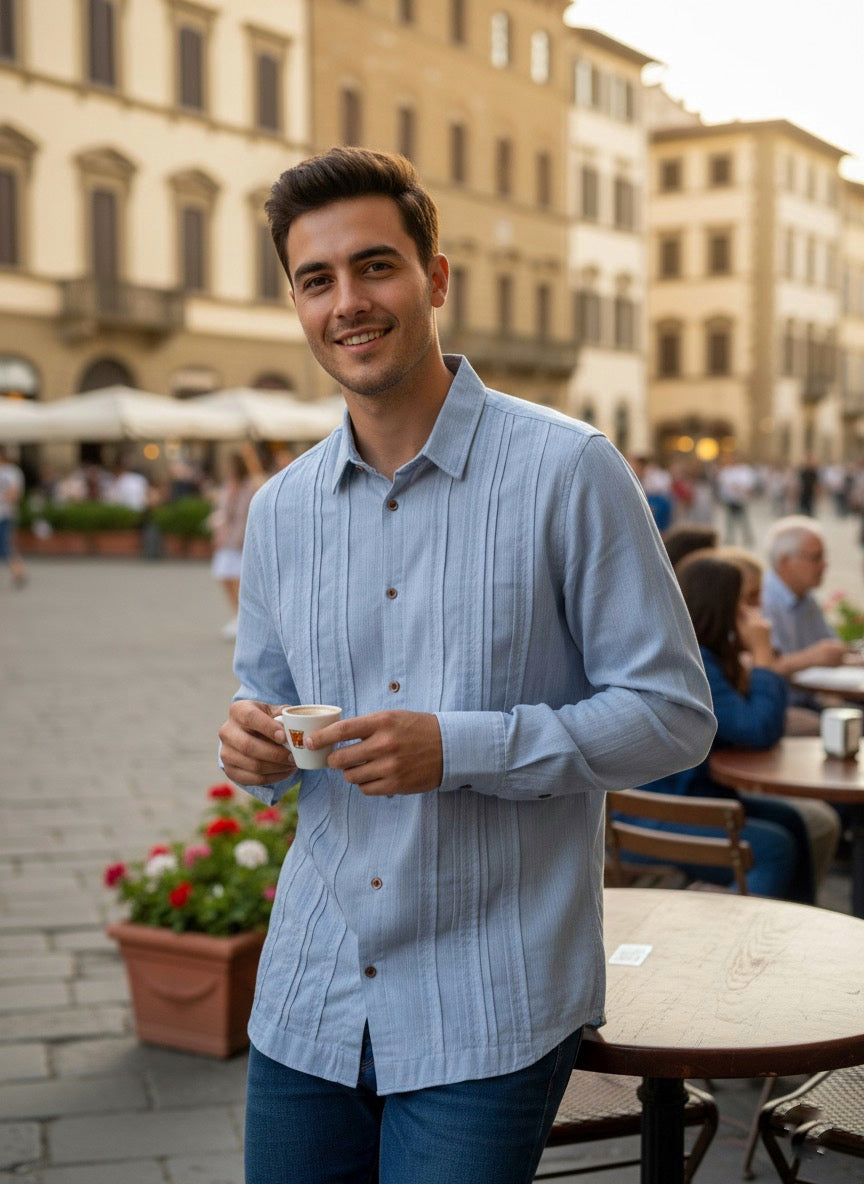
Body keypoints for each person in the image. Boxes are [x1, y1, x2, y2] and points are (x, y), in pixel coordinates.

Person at [217, 146, 716, 1184]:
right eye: (317, 279)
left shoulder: (570, 470)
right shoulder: (280, 510)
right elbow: (265, 700)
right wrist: (251, 748)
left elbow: (673, 714)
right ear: (297, 304)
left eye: (376, 266)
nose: (348, 302)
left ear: (435, 278)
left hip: (488, 1003)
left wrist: (461, 748)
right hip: (309, 993)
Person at [634, 553, 821, 902]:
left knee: (792, 821)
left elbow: (757, 730)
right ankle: (733, 933)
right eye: (748, 601)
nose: (757, 613)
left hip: (683, 799)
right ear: (722, 606)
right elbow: (758, 731)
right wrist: (764, 657)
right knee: (773, 848)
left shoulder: (699, 654)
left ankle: (793, 928)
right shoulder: (695, 663)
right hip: (654, 811)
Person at [760, 516, 850, 705]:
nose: (824, 565)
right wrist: (813, 657)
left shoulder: (806, 598)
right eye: (816, 557)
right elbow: (764, 668)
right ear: (785, 561)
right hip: (781, 707)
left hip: (808, 699)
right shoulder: (763, 600)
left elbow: (833, 647)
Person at [209, 445, 265, 640]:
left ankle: (244, 618)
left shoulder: (250, 485)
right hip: (227, 538)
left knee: (240, 580)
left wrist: (250, 457)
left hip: (242, 538)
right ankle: (237, 615)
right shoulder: (229, 485)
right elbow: (223, 511)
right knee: (224, 575)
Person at [0, 445, 27, 587]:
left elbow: (15, 492)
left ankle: (19, 572)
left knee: (5, 545)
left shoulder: (11, 471)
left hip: (5, 513)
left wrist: (7, 498)